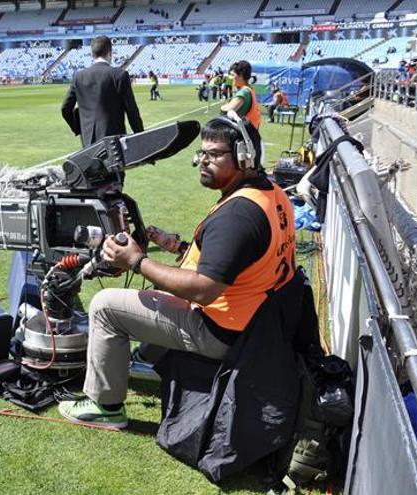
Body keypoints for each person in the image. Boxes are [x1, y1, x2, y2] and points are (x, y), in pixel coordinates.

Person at [58, 116, 295, 428]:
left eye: (214, 154)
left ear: (244, 156)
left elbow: (203, 289)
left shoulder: (237, 215)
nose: (203, 161)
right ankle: (145, 360)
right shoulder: (271, 192)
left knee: (105, 306)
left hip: (220, 331)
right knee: (162, 288)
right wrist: (180, 248)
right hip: (255, 321)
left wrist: (137, 261)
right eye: (202, 153)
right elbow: (236, 264)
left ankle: (105, 406)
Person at [61, 36, 144, 147]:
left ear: (92, 54)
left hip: (88, 143)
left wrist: (79, 129)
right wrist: (142, 139)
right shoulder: (120, 75)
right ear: (110, 53)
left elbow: (65, 109)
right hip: (114, 143)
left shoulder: (79, 77)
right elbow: (132, 111)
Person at [221, 60, 261, 129]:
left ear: (241, 76)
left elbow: (227, 111)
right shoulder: (249, 89)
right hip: (251, 132)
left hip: (244, 133)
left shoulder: (243, 92)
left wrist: (223, 107)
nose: (231, 78)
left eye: (233, 75)